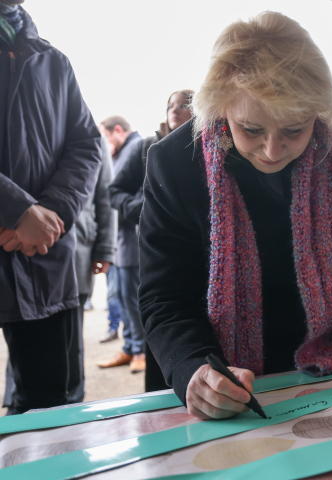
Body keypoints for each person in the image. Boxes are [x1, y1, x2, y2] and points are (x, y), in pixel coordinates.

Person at [138, 12, 332, 420]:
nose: (273, 151)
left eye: (294, 130)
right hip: (223, 369)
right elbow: (164, 295)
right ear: (220, 107)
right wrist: (192, 365)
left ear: (320, 112)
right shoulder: (174, 163)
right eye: (251, 129)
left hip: (331, 364)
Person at [0, 0, 101, 414]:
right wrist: (15, 211)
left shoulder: (52, 59)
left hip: (41, 253)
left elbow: (86, 144)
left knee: (47, 406)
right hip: (26, 234)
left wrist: (50, 215)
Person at [109, 89, 193, 391]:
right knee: (159, 310)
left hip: (197, 255)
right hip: (154, 251)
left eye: (184, 104)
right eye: (170, 104)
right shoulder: (148, 147)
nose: (175, 109)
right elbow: (115, 190)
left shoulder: (211, 147)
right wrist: (148, 210)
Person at [97, 116, 146, 373]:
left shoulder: (138, 148)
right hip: (120, 245)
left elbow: (136, 195)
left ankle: (141, 351)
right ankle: (130, 347)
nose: (105, 145)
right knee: (123, 300)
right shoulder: (121, 153)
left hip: (133, 243)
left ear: (118, 130)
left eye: (105, 137)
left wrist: (127, 207)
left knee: (134, 300)